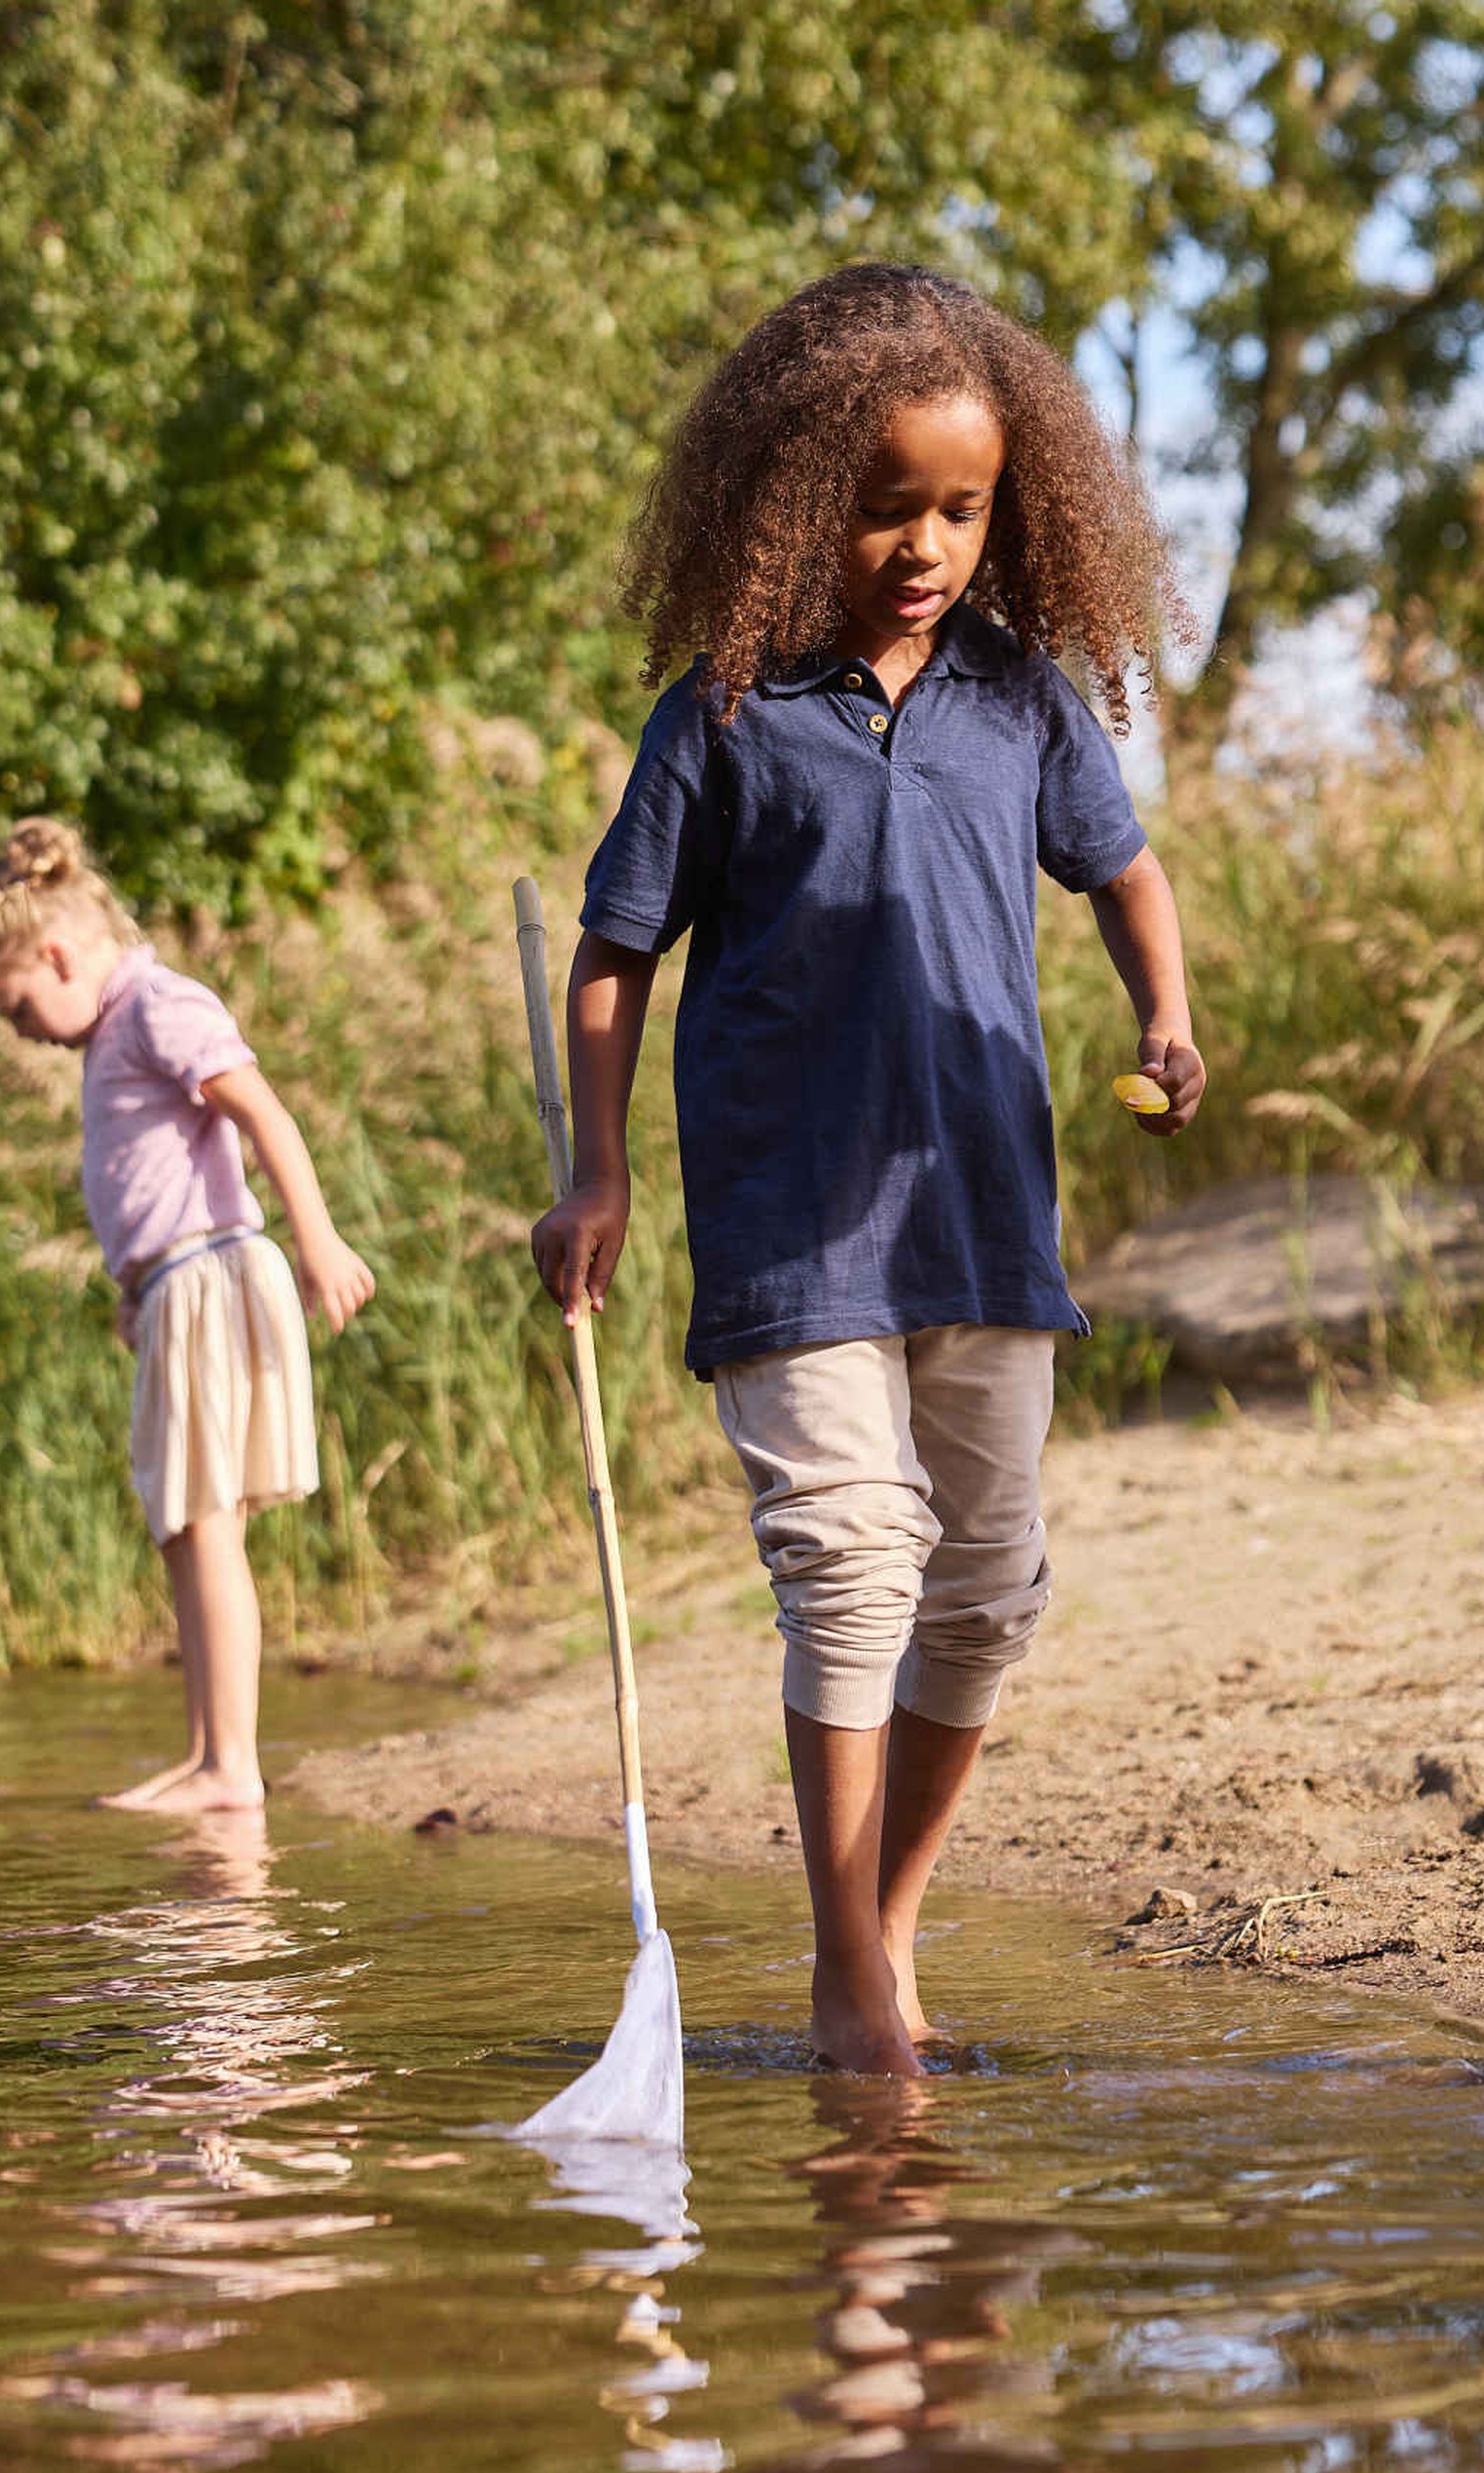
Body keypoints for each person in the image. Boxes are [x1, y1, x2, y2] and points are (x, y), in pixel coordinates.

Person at [529, 262, 1202, 2076]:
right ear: (799, 496)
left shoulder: (1023, 696)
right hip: (787, 1219)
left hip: (983, 1212)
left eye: (962, 510)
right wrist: (597, 1177)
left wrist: (1165, 1009)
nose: (923, 544)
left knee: (987, 1587)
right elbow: (615, 950)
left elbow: (1121, 868)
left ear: (1014, 505)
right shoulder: (727, 710)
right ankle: (848, 1974)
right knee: (851, 1559)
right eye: (885, 505)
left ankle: (880, 1925)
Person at [0, 817, 376, 1811]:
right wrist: (137, 1293)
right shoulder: (113, 1031)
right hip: (176, 1287)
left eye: (17, 1011)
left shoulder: (154, 1006)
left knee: (207, 1521)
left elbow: (261, 1111)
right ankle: (205, 1750)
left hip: (216, 1273)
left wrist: (318, 1240)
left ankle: (233, 1767)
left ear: (57, 953)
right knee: (184, 1525)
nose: (23, 1033)